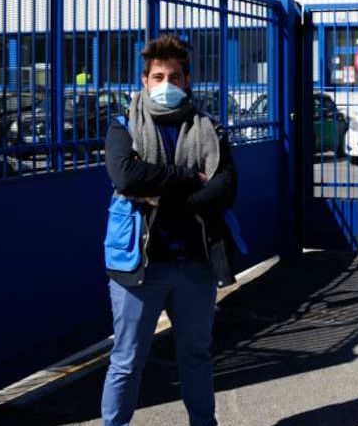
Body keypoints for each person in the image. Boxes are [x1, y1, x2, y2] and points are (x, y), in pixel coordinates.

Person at [101, 34, 239, 426]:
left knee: (196, 356)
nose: (166, 85)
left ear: (188, 81)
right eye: (158, 76)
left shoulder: (208, 129)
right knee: (127, 359)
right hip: (139, 266)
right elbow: (127, 177)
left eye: (174, 77)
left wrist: (165, 194)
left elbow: (225, 187)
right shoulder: (122, 127)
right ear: (144, 80)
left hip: (195, 264)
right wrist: (187, 178)